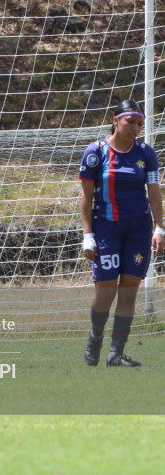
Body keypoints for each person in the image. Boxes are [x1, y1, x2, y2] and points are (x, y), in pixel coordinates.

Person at [79, 99, 163, 367]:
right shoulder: (96, 152)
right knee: (105, 293)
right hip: (106, 229)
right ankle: (95, 337)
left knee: (129, 293)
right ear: (116, 120)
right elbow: (86, 196)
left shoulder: (146, 154)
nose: (136, 128)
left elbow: (154, 193)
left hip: (138, 230)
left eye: (140, 123)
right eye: (131, 122)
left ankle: (116, 354)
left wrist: (160, 227)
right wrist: (87, 235)